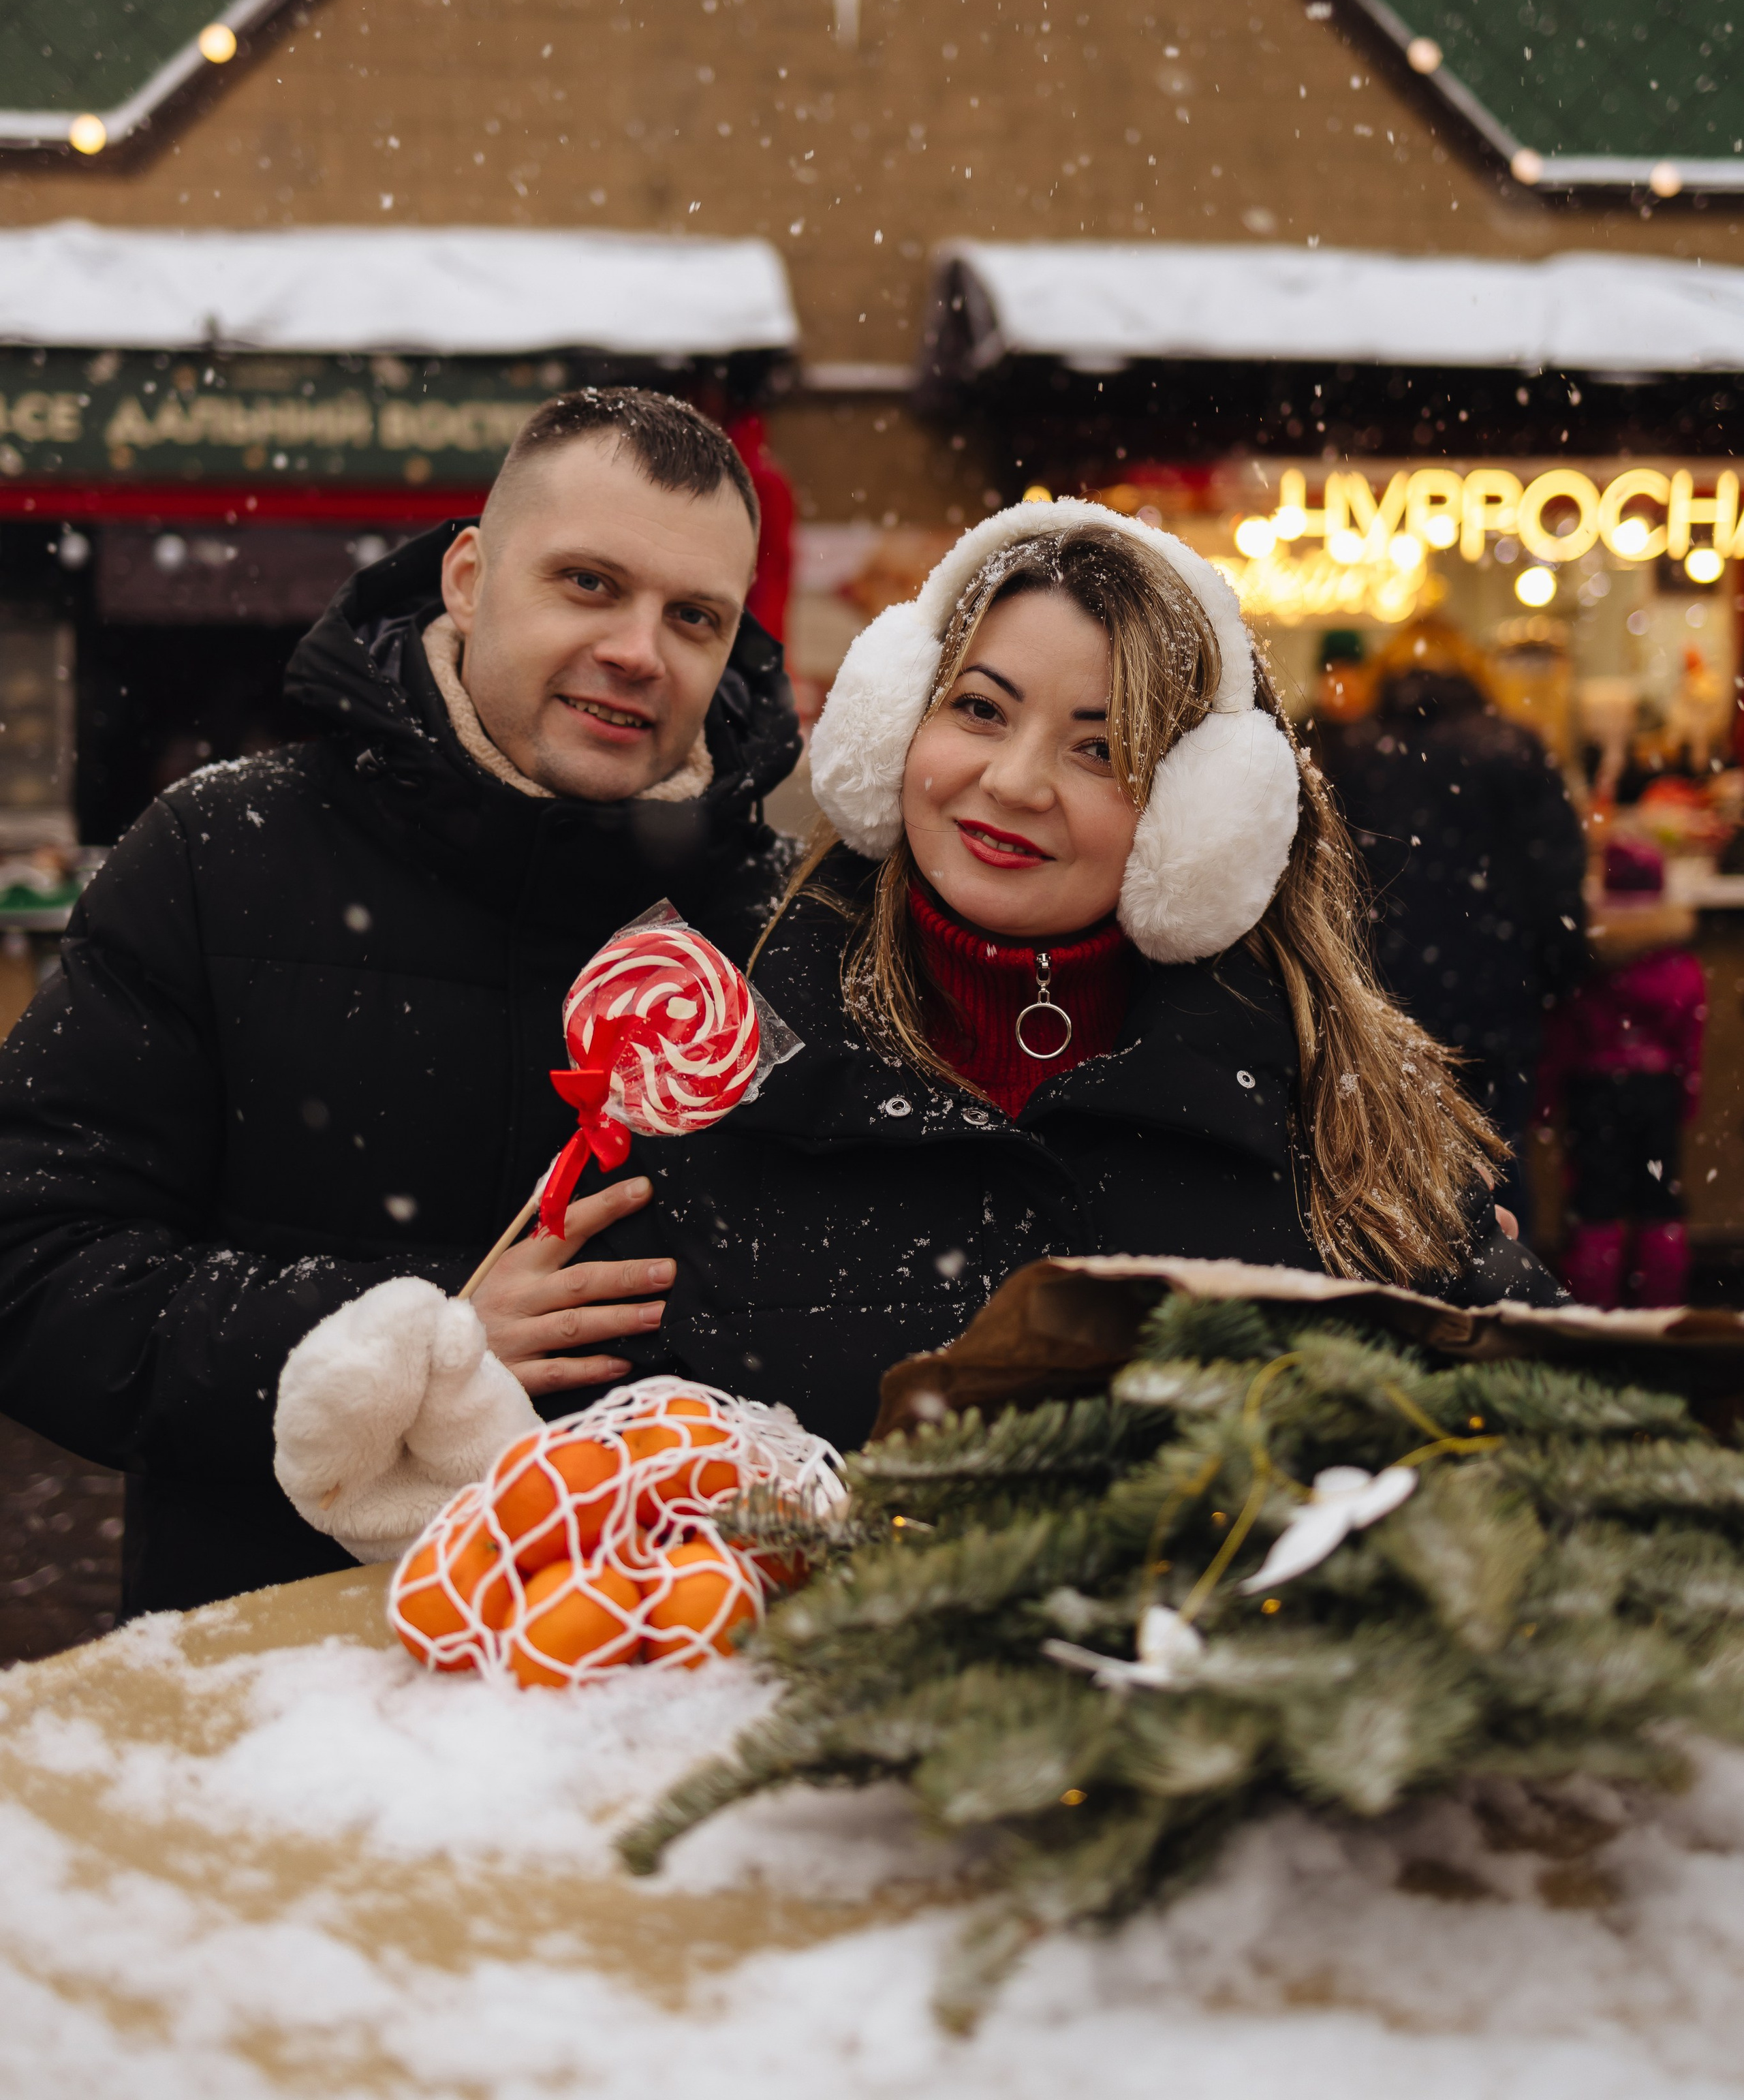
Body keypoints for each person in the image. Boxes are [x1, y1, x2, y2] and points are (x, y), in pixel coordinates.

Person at [0, 390, 799, 1614]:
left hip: (655, 1676)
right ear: (471, 579)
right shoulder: (222, 856)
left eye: (694, 615)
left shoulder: (786, 927)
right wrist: (405, 1340)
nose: (641, 649)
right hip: (271, 1680)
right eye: (589, 582)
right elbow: (34, 1271)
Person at [582, 502, 1557, 1449]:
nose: (1014, 781)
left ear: (1202, 818)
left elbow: (1551, 1447)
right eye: (978, 709)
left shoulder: (1330, 1113)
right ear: (897, 724)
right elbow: (601, 1469)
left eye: (1101, 748)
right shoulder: (716, 1051)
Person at [1313, 619, 1587, 1231]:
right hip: (1498, 995)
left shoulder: (1355, 753)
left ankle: (1417, 1308)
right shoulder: (1514, 747)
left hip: (1386, 997)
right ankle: (1511, 1299)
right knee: (1501, 1150)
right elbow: (1556, 882)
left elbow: (1329, 883)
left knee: (1392, 1168)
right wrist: (1558, 977)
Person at [1537, 837, 1707, 1309]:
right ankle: (1661, 1307)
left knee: (1594, 1204)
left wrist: (1548, 1097)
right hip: (1657, 1093)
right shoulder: (1680, 966)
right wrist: (1686, 1094)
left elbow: (1564, 1039)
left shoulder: (1590, 965)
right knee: (1660, 1202)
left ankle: (1592, 1311)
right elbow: (1689, 1040)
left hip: (1594, 1094)